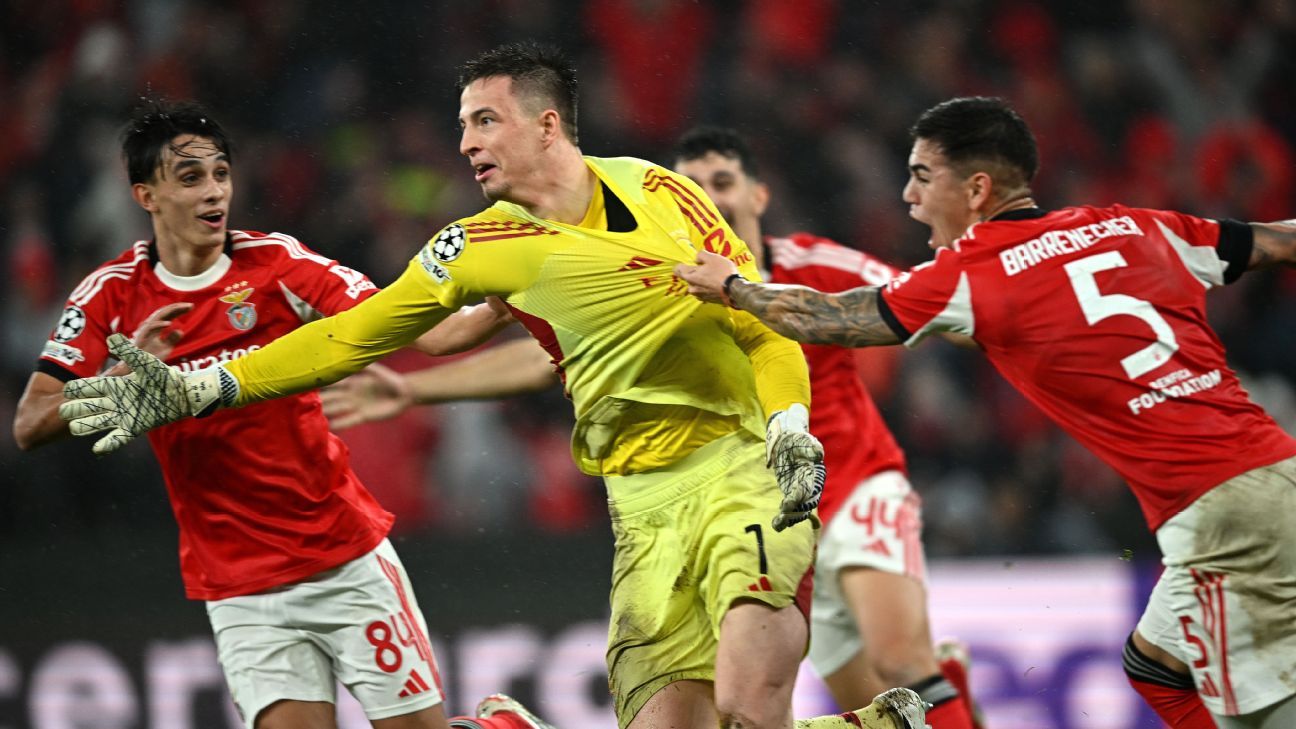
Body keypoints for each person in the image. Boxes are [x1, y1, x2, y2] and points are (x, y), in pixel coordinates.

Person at [53, 47, 926, 729]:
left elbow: (757, 323)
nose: (465, 142)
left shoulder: (665, 191)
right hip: (640, 506)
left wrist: (785, 426)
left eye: (482, 121)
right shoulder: (473, 246)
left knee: (747, 700)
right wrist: (205, 386)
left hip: (745, 472)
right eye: (462, 124)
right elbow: (352, 334)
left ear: (547, 125)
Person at [320, 126, 980, 729]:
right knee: (739, 715)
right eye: (694, 186)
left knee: (895, 660)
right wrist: (411, 385)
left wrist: (1002, 305)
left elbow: (920, 301)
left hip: (852, 482)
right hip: (728, 504)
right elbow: (552, 359)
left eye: (721, 183)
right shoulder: (658, 278)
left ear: (758, 192)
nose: (707, 199)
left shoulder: (811, 266)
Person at [675, 96, 1296, 729]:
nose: (907, 198)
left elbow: (831, 318)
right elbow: (1278, 242)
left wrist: (734, 288)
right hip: (1270, 470)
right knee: (1155, 668)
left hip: (1220, 513)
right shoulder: (1136, 224)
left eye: (921, 176)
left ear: (976, 188)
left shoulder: (973, 273)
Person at [12, 100, 553, 729]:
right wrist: (117, 382)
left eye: (221, 174)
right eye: (191, 179)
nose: (214, 192)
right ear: (146, 195)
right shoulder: (111, 295)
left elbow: (424, 335)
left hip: (339, 556)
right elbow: (30, 424)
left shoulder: (280, 267)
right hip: (236, 583)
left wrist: (499, 306)